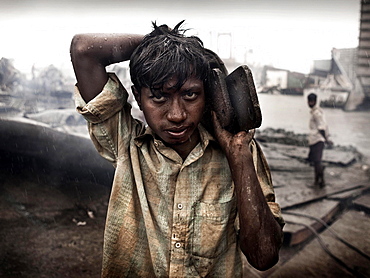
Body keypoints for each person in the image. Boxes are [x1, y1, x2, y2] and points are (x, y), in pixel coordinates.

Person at [70, 21, 284, 277]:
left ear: (209, 94)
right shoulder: (127, 143)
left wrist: (238, 157)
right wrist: (164, 44)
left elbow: (264, 255)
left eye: (191, 95)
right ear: (138, 97)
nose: (176, 115)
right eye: (159, 97)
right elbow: (83, 49)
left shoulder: (242, 150)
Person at [307, 93, 333, 188]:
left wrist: (326, 139)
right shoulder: (316, 112)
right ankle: (317, 182)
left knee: (317, 162)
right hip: (314, 139)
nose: (309, 103)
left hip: (318, 140)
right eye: (309, 101)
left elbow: (322, 127)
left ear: (314, 101)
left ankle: (321, 182)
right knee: (316, 162)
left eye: (311, 101)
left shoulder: (317, 113)